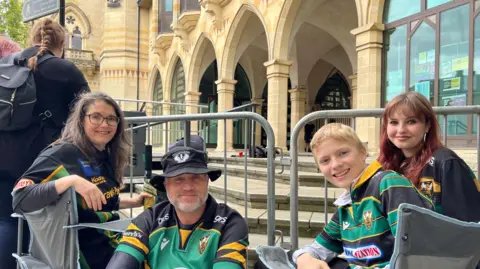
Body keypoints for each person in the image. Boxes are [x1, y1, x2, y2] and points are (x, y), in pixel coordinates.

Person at [12, 92, 150, 269]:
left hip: (114, 239)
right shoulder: (62, 153)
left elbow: (97, 201)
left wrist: (133, 202)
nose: (104, 124)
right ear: (81, 120)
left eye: (111, 118)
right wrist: (70, 181)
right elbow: (19, 199)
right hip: (85, 252)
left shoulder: (105, 155)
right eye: (96, 117)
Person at [0, 18, 90, 268]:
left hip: (3, 157)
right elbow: (89, 113)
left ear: (32, 40)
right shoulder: (66, 70)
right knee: (47, 226)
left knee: (6, 222)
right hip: (41, 163)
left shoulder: (7, 64)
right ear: (61, 43)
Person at [293, 123, 433, 269]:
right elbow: (317, 249)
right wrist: (304, 258)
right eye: (325, 160)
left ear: (362, 152)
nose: (335, 164)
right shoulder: (345, 206)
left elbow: (416, 251)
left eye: (343, 153)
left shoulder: (388, 184)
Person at [106, 136, 249, 269]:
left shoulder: (230, 223)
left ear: (207, 181)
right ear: (166, 185)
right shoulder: (150, 219)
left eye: (196, 177)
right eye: (178, 179)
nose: (188, 187)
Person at [378, 91, 480, 222]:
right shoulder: (384, 166)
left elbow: (466, 226)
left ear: (427, 125)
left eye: (411, 121)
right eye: (394, 122)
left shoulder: (447, 163)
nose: (401, 129)